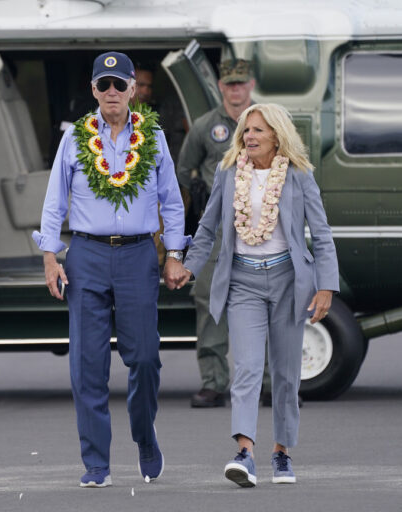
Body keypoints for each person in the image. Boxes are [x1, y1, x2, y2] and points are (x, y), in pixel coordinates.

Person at [32, 51, 188, 488]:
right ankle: (97, 462)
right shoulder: (75, 137)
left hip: (139, 254)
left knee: (145, 358)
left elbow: (171, 202)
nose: (113, 92)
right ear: (94, 91)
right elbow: (54, 201)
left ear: (134, 91)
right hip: (87, 254)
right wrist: (50, 255)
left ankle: (144, 437)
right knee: (87, 364)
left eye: (121, 85)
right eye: (105, 85)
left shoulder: (153, 136)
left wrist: (174, 253)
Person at [166, 103, 338, 486]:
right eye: (246, 130)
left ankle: (282, 453)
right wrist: (189, 266)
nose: (250, 137)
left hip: (288, 281)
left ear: (277, 135)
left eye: (258, 130)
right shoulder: (229, 174)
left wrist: (326, 285)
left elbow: (322, 235)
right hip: (242, 281)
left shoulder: (299, 175)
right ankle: (245, 452)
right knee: (245, 369)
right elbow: (207, 227)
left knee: (285, 374)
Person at [176, 59, 257, 408]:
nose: (235, 89)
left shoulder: (269, 122)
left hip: (260, 227)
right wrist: (199, 195)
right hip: (217, 229)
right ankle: (213, 382)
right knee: (209, 302)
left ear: (251, 84)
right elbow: (183, 168)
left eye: (241, 83)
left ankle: (268, 381)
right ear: (221, 87)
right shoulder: (205, 126)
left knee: (264, 305)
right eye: (230, 84)